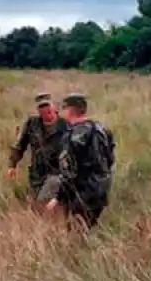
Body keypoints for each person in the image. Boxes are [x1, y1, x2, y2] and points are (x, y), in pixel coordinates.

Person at [46, 93, 115, 231]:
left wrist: (58, 198)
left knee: (76, 234)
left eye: (64, 109)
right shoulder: (102, 129)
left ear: (71, 110)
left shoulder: (73, 136)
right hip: (102, 189)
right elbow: (110, 159)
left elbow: (69, 170)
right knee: (89, 229)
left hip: (82, 193)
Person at [7, 92, 69, 209]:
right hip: (37, 174)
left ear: (54, 107)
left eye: (47, 106)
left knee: (43, 204)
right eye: (41, 108)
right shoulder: (32, 124)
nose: (45, 110)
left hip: (57, 173)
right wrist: (12, 165)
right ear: (38, 110)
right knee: (36, 206)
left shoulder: (66, 125)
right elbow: (20, 145)